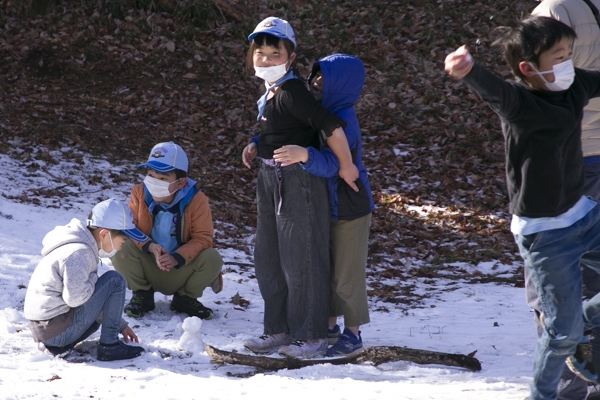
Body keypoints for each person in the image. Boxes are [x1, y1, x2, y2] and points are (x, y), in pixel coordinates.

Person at [444, 16, 600, 400]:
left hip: (584, 212)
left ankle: (585, 317)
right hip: (545, 234)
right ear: (528, 68)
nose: (568, 62)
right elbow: (492, 89)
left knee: (572, 323)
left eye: (569, 53)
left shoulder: (576, 84)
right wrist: (468, 71)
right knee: (561, 335)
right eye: (559, 56)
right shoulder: (519, 101)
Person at [240, 17, 359, 359]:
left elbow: (331, 127)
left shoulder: (292, 91)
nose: (265, 59)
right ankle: (279, 330)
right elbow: (280, 127)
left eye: (274, 52)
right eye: (259, 52)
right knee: (269, 257)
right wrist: (256, 144)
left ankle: (312, 336)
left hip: (298, 182)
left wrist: (346, 166)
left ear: (290, 58)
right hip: (269, 178)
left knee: (301, 258)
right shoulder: (273, 90)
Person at [271, 54, 374, 357]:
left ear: (341, 85)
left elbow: (335, 164)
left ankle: (353, 334)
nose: (316, 81)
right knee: (326, 270)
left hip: (349, 206)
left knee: (347, 273)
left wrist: (305, 155)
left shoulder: (343, 121)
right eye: (315, 75)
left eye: (324, 78)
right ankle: (329, 326)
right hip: (323, 206)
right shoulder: (318, 112)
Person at [525, 0, 600, 397]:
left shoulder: (554, 9)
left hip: (570, 157)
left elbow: (537, 82)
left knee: (554, 276)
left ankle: (567, 386)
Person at [112, 141, 223, 320]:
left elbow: (203, 238)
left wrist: (176, 257)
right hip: (149, 263)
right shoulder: (140, 193)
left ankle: (185, 299)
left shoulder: (196, 200)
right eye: (150, 175)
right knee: (119, 245)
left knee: (212, 258)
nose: (155, 182)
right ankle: (142, 295)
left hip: (181, 269)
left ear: (181, 182)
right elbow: (127, 227)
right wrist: (151, 247)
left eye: (163, 178)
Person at [24, 198, 146, 361]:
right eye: (122, 241)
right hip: (56, 331)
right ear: (104, 234)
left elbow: (92, 298)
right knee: (114, 281)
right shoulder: (79, 253)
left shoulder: (75, 245)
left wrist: (121, 325)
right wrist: (94, 280)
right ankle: (110, 346)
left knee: (105, 286)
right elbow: (76, 299)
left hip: (48, 331)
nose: (120, 247)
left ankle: (87, 343)